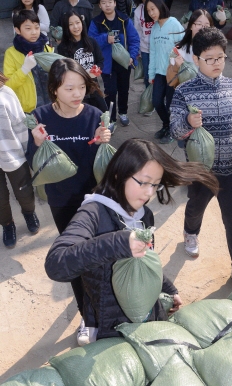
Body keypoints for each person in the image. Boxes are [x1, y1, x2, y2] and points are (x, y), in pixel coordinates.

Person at [44, 138, 219, 343]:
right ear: (119, 174)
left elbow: (145, 261)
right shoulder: (92, 213)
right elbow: (56, 264)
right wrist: (119, 243)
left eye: (155, 185)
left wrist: (167, 288)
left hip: (146, 311)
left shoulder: (144, 216)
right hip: (109, 325)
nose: (149, 193)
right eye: (143, 182)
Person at [26, 58, 111, 344]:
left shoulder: (95, 114)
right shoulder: (40, 117)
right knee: (76, 259)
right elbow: (31, 160)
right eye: (69, 88)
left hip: (93, 199)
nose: (77, 94)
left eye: (81, 87)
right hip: (61, 200)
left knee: (99, 255)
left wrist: (103, 140)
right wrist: (37, 144)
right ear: (53, 90)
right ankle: (87, 317)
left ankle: (107, 308)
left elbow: (103, 161)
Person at [170, 27, 232, 282]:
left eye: (221, 57)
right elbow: (176, 129)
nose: (217, 63)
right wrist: (188, 120)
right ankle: (190, 231)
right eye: (210, 58)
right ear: (196, 60)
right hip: (201, 170)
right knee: (196, 206)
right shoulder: (184, 92)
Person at [88, 0, 140, 126]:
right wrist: (105, 38)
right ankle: (110, 118)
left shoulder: (124, 20)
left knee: (124, 89)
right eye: (104, 3)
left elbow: (134, 40)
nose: (107, 5)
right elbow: (90, 41)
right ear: (99, 5)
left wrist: (132, 57)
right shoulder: (96, 22)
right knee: (110, 92)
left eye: (110, 2)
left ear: (115, 3)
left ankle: (123, 112)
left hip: (123, 62)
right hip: (107, 65)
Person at [0, 71, 39, 249]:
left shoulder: (6, 93)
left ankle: (29, 213)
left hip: (12, 153)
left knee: (24, 191)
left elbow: (20, 124)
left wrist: (27, 151)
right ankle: (7, 224)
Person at [146, 0, 184, 143]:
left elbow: (184, 47)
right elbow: (153, 52)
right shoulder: (154, 28)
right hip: (160, 73)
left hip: (173, 73)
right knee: (156, 102)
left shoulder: (174, 23)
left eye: (153, 9)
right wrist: (151, 74)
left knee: (171, 105)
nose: (151, 13)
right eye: (148, 11)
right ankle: (166, 125)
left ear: (160, 6)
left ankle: (173, 131)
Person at [3, 10, 54, 113]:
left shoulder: (46, 48)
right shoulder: (11, 53)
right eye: (28, 28)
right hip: (28, 111)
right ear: (17, 30)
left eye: (37, 27)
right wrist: (24, 69)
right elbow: (7, 85)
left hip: (53, 106)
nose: (34, 32)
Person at [57, 10, 107, 112]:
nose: (75, 27)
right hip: (77, 89)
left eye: (77, 22)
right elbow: (66, 70)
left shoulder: (91, 41)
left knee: (103, 112)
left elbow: (100, 60)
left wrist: (97, 69)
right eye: (71, 24)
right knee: (84, 115)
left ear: (82, 23)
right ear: (66, 27)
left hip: (93, 85)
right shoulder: (63, 47)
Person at [166, 9, 214, 88]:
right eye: (199, 24)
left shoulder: (214, 51)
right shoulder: (179, 51)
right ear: (191, 25)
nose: (202, 28)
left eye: (206, 25)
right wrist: (175, 67)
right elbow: (171, 82)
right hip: (185, 97)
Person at [133, 0, 154, 88]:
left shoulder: (158, 7)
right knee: (147, 75)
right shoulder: (137, 11)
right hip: (145, 49)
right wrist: (138, 50)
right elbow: (137, 32)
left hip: (159, 47)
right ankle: (149, 99)